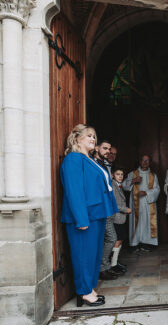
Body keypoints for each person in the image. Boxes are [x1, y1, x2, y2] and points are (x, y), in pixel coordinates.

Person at [60, 124, 118, 307]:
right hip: (85, 217)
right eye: (89, 136)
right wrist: (81, 218)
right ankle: (84, 291)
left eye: (94, 136)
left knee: (93, 254)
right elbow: (74, 191)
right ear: (77, 139)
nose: (93, 139)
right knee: (83, 255)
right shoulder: (73, 160)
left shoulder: (90, 160)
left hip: (97, 214)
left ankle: (89, 287)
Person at [94, 139, 120, 279]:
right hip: (100, 209)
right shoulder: (94, 163)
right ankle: (102, 268)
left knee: (110, 238)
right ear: (97, 148)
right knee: (110, 238)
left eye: (109, 150)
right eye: (105, 148)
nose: (108, 152)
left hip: (108, 208)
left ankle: (106, 266)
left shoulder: (105, 164)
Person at [124, 155, 160, 251]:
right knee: (136, 223)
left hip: (148, 204)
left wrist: (146, 193)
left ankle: (146, 243)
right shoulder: (133, 174)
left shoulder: (153, 175)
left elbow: (157, 190)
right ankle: (135, 243)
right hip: (136, 203)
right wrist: (134, 180)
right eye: (143, 160)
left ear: (149, 163)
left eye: (147, 161)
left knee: (147, 223)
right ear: (140, 162)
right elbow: (123, 185)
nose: (145, 162)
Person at [110, 167, 131, 272]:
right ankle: (113, 265)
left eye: (122, 174)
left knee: (120, 240)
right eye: (118, 174)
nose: (120, 176)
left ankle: (115, 262)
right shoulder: (113, 186)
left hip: (120, 218)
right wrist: (125, 209)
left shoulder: (119, 186)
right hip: (116, 218)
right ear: (113, 175)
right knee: (117, 241)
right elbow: (114, 204)